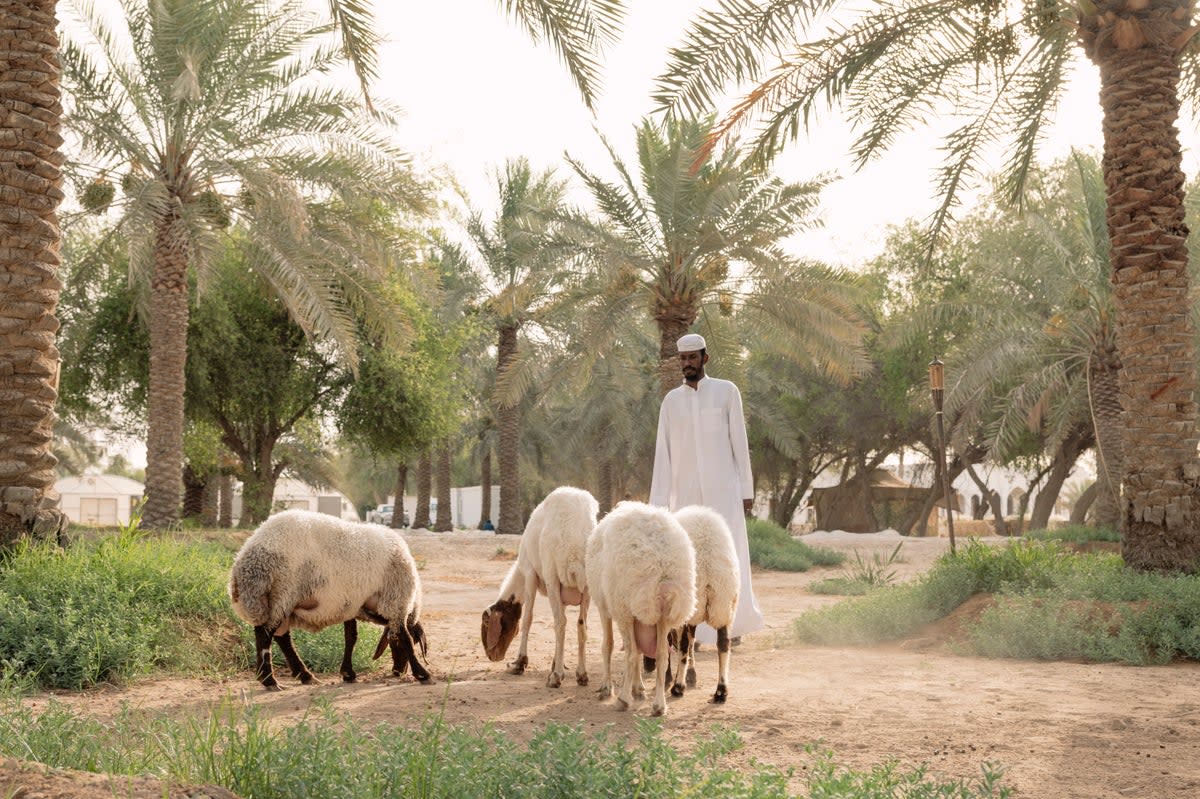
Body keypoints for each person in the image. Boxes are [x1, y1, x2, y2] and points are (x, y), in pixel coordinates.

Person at [649, 332, 764, 650]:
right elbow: (664, 453)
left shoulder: (727, 392)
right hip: (684, 495)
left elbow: (740, 443)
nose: (687, 364)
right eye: (682, 359)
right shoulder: (671, 401)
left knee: (730, 556)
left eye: (692, 358)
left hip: (723, 491)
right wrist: (658, 504)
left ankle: (733, 623)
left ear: (705, 358)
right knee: (689, 560)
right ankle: (692, 631)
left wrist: (746, 489)